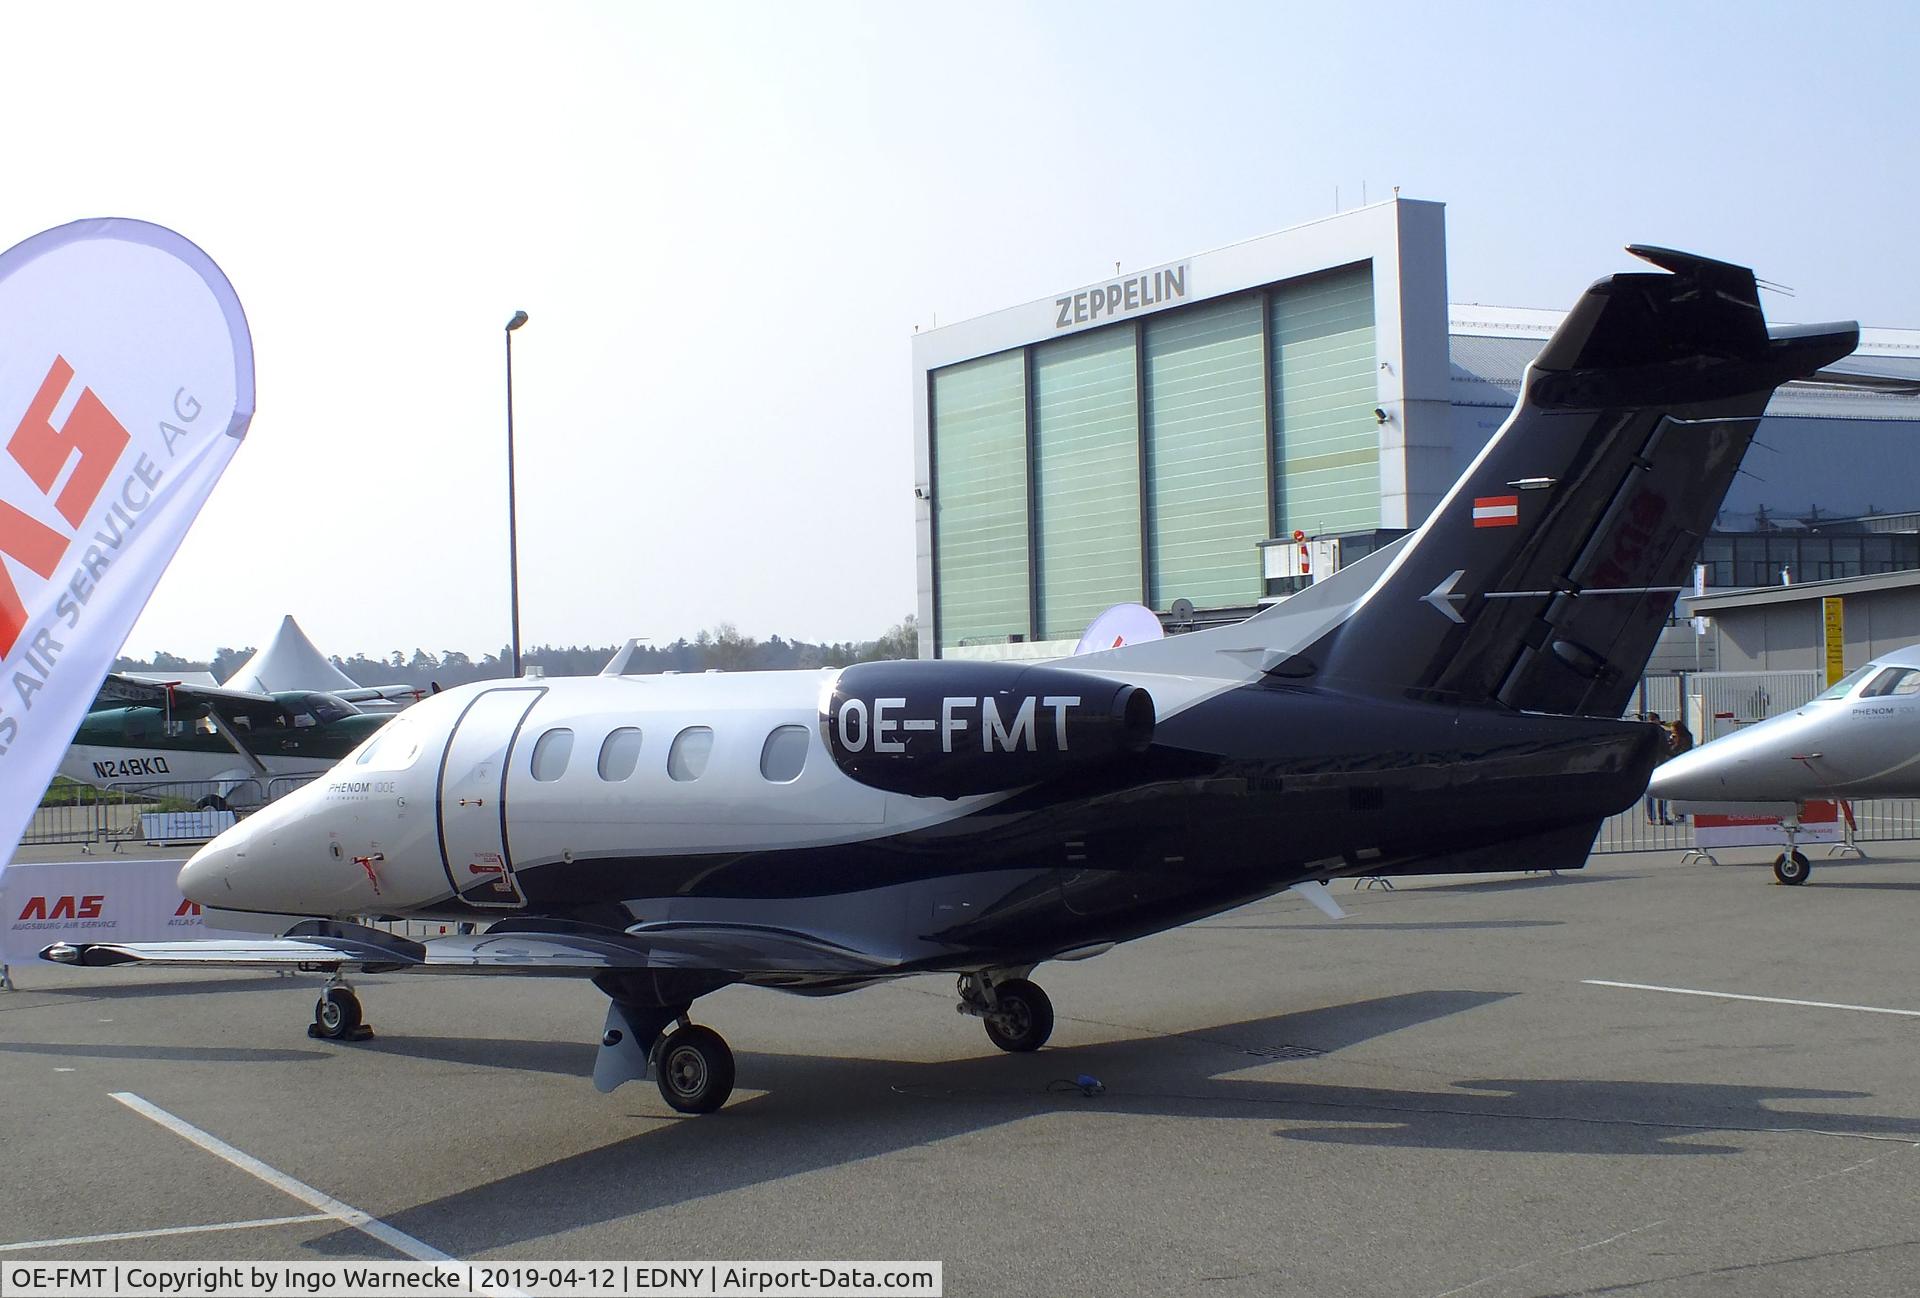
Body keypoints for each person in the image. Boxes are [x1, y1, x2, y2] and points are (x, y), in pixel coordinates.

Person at [1664, 719, 1695, 823]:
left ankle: (1680, 814)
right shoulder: (1683, 737)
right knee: (1677, 792)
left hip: (1680, 765)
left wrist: (1671, 743)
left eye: (1674, 731)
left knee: (1678, 792)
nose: (1673, 733)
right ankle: (1680, 814)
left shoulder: (1684, 738)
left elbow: (1675, 751)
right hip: (1680, 765)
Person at [1643, 713, 1665, 823]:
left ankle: (1652, 817)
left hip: (1648, 764)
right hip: (1660, 763)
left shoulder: (1644, 732)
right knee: (1661, 790)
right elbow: (1666, 748)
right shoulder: (1661, 731)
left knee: (1649, 791)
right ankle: (1662, 817)